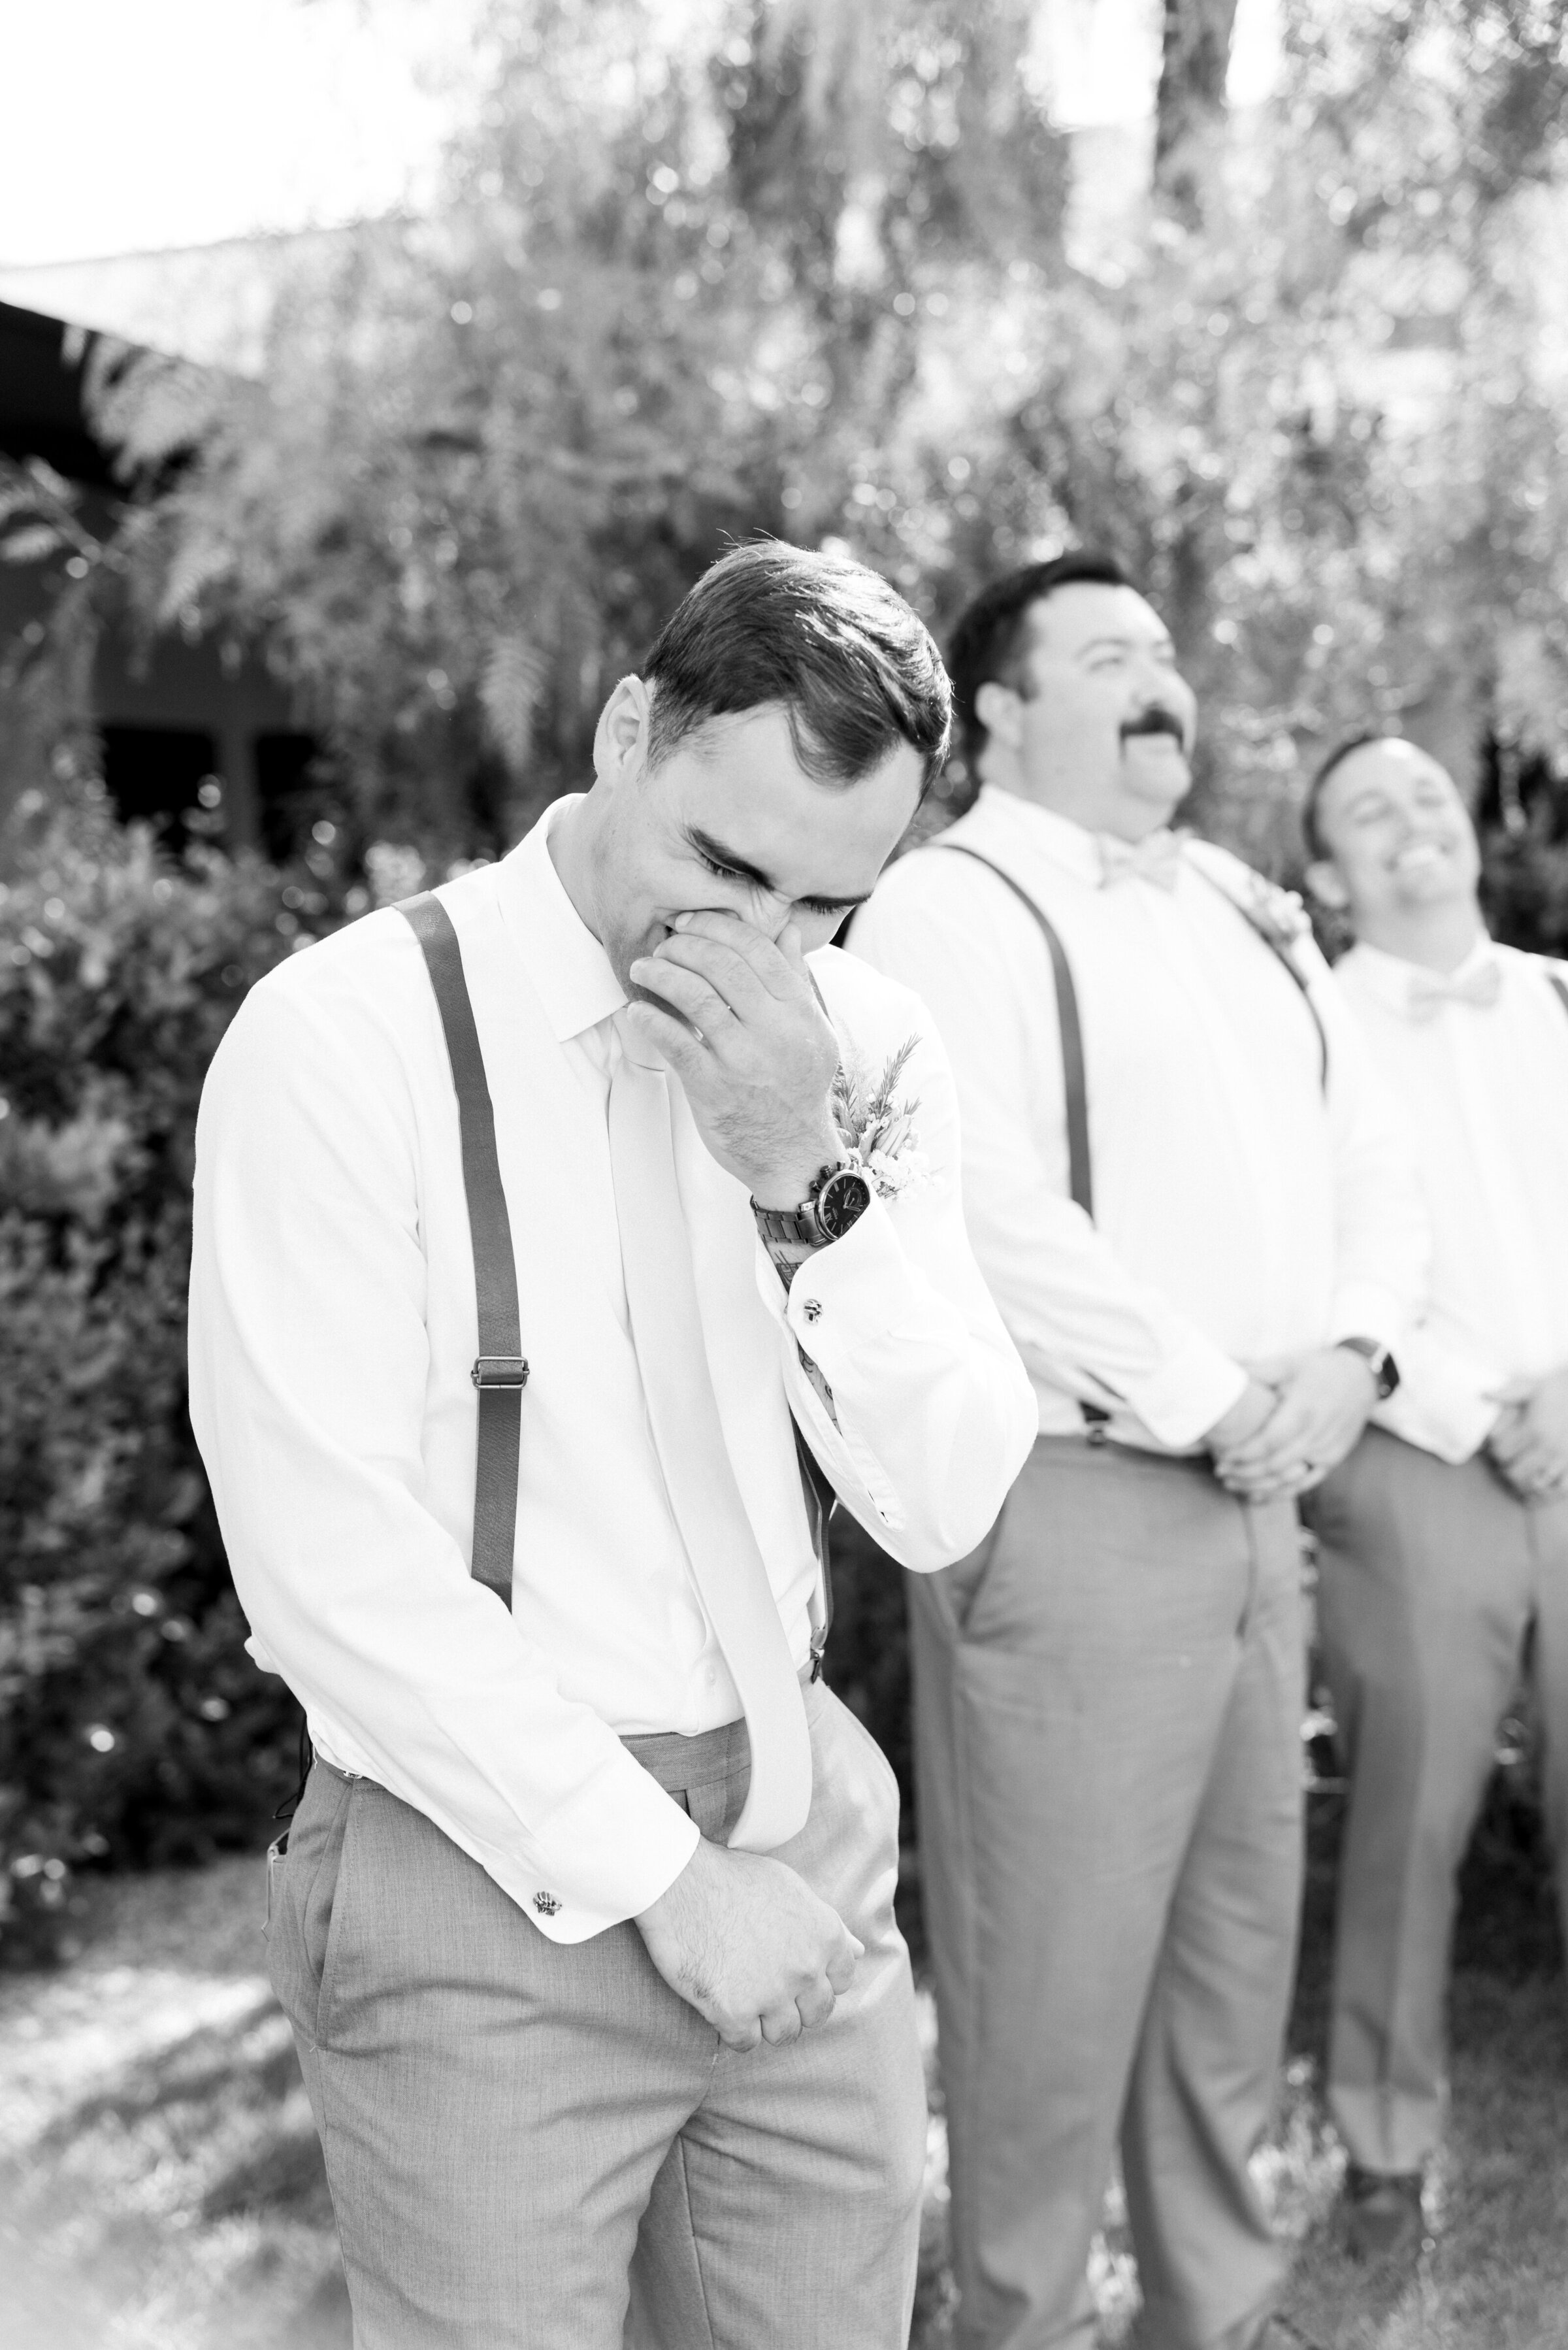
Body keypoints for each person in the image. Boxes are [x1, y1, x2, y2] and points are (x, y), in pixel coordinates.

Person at [188, 542, 1037, 2350]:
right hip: (466, 1856)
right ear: (625, 728)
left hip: (797, 1823)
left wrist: (810, 1189)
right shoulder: (345, 1037)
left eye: (830, 903)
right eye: (725, 863)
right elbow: (324, 1561)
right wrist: (664, 1876)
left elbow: (950, 1491)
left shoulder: (864, 1048)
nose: (765, 944)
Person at [850, 552, 1427, 2350]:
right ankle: (1013, 2316)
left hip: (1273, 1496)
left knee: (1233, 1944)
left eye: (1165, 654)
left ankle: (1218, 2305)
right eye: (1108, 657)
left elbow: (1371, 1147)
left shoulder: (1249, 911)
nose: (1158, 681)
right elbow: (986, 1207)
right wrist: (1212, 1393)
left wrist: (1353, 1353)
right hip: (1084, 1492)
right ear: (1001, 710)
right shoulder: (945, 909)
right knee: (1047, 1981)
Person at [1300, 732, 1568, 2263]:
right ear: (1329, 872)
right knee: (1411, 1813)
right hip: (1417, 1459)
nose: (1409, 822)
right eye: (1365, 811)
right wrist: (1482, 1410)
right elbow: (1314, 1253)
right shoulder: (1309, 1031)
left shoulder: (1557, 1000)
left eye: (1424, 794)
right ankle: (1384, 2147)